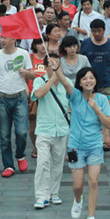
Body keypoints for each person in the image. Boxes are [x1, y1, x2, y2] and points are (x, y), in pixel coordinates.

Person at [63, 67, 110, 219]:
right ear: (80, 82)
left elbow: (108, 124)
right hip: (76, 146)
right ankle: (78, 200)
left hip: (95, 146)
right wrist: (56, 70)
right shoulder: (75, 96)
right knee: (78, 186)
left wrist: (96, 109)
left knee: (93, 181)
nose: (88, 81)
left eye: (91, 78)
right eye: (84, 78)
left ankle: (91, 217)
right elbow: (64, 82)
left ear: (96, 81)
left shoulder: (103, 100)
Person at [0, 33, 34, 177]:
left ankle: (20, 154)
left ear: (14, 40)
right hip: (1, 98)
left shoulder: (23, 54)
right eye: (1, 38)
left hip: (19, 97)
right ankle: (8, 165)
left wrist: (26, 72)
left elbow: (33, 74)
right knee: (4, 135)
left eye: (5, 38)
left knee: (22, 131)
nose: (1, 40)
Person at [29, 54, 71, 208]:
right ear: (45, 67)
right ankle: (41, 196)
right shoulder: (40, 81)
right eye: (52, 65)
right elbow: (37, 95)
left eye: (58, 65)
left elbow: (73, 96)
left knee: (58, 163)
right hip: (44, 130)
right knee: (42, 163)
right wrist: (52, 79)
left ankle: (54, 193)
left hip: (61, 129)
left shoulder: (67, 83)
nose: (55, 68)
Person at [80, 19, 110, 96]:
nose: (97, 34)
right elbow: (80, 61)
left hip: (105, 82)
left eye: (99, 31)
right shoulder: (85, 43)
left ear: (104, 30)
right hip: (88, 83)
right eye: (94, 31)